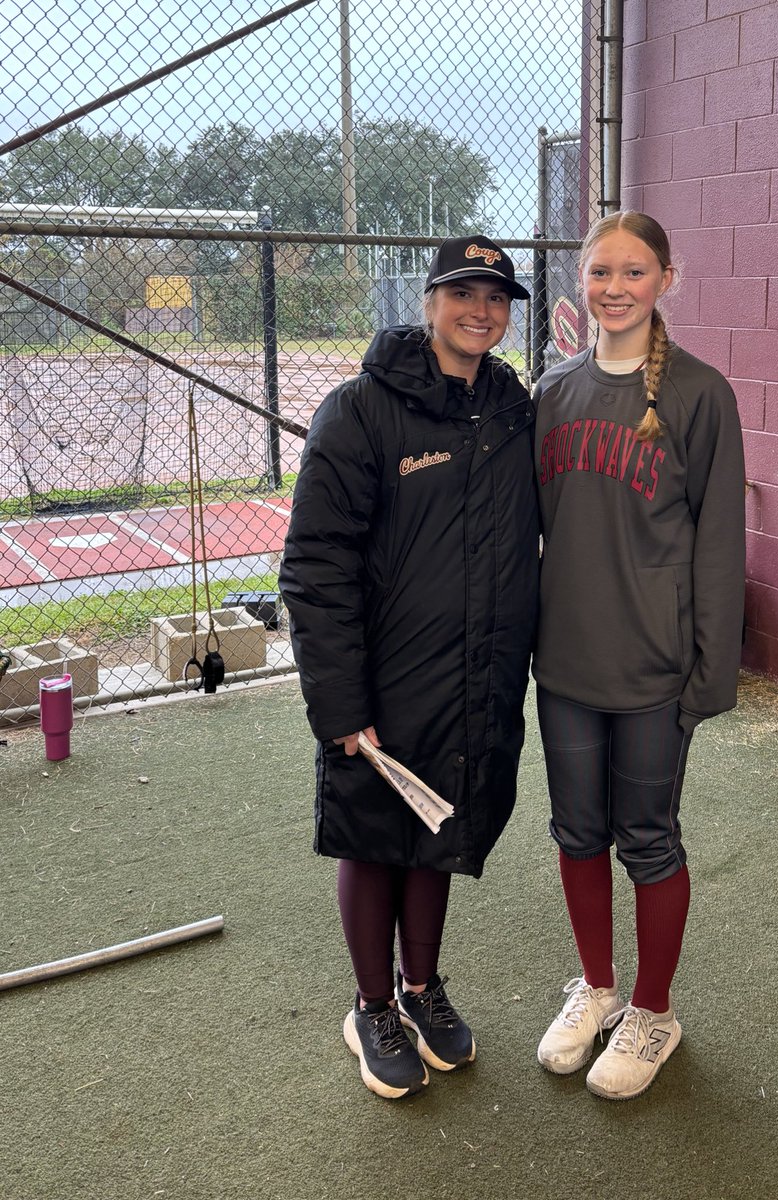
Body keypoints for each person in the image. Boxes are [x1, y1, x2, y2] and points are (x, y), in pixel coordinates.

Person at [279, 235, 538, 1100]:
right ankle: (372, 1007)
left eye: (496, 298)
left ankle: (421, 989)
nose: (480, 311)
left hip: (475, 674)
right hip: (382, 680)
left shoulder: (512, 410)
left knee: (438, 829)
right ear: (428, 303)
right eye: (463, 293)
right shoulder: (359, 410)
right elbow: (315, 564)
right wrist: (339, 702)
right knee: (373, 834)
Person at [531, 211, 745, 1100]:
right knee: (577, 833)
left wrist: (710, 673)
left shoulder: (700, 394)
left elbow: (720, 544)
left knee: (648, 841)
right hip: (566, 667)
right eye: (600, 272)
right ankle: (599, 989)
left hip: (656, 670)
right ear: (580, 282)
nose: (614, 288)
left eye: (633, 272)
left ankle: (654, 1010)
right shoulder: (551, 392)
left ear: (665, 280)